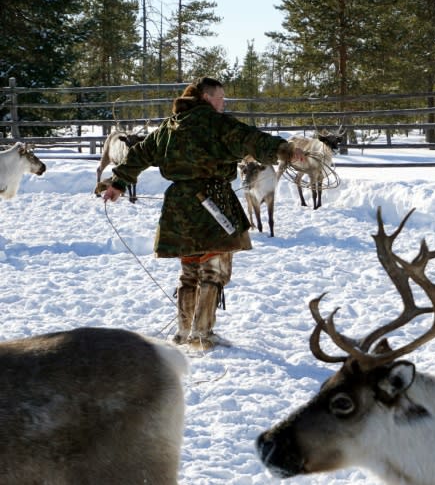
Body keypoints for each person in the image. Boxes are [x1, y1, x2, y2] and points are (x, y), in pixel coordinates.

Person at [101, 77, 304, 350]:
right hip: (213, 202)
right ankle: (201, 334)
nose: (224, 103)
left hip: (179, 206)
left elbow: (139, 153)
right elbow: (250, 139)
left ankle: (184, 331)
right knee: (214, 268)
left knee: (189, 270)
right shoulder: (217, 124)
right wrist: (286, 150)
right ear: (207, 98)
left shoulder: (169, 127)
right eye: (221, 97)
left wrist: (118, 183)